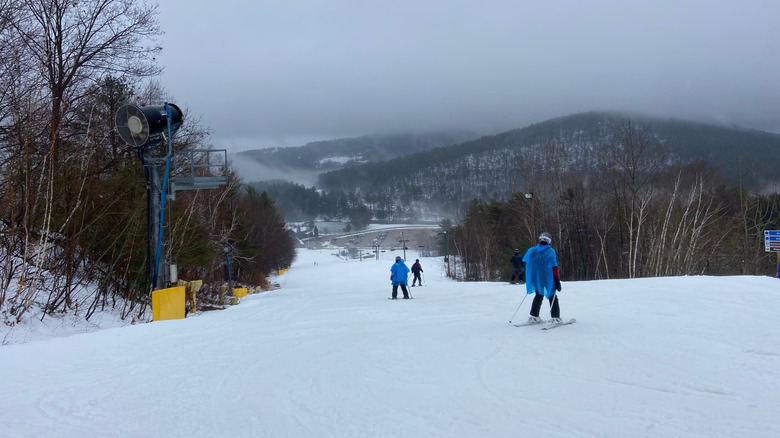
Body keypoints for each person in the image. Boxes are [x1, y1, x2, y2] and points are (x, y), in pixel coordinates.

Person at [523, 232, 563, 324]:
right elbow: (554, 266)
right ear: (549, 241)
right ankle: (556, 317)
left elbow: (527, 263)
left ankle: (534, 316)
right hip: (548, 278)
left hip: (537, 278)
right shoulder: (550, 251)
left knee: (538, 295)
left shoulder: (532, 250)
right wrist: (556, 280)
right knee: (552, 296)